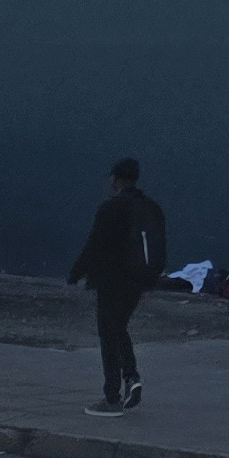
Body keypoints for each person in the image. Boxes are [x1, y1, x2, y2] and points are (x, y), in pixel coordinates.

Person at [69, 157, 165, 415]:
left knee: (108, 334)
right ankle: (131, 377)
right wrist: (149, 280)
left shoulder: (110, 208)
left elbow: (94, 245)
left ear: (115, 179)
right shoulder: (151, 208)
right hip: (138, 281)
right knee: (118, 327)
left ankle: (111, 398)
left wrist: (75, 273)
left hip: (112, 281)